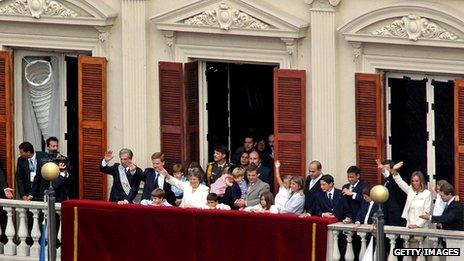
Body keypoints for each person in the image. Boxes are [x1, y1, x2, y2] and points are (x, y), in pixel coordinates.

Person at [391, 162, 432, 229]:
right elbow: (400, 182)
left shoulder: (427, 194)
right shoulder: (410, 191)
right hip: (409, 225)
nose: (414, 183)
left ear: (421, 181)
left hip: (421, 227)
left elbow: (426, 213)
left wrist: (417, 225)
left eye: (416, 181)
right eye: (412, 181)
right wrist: (394, 171)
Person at [376, 159, 407, 226]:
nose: (384, 170)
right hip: (387, 213)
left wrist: (385, 171)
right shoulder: (385, 181)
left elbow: (391, 180)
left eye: (386, 169)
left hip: (396, 215)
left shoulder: (396, 180)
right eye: (383, 169)